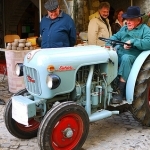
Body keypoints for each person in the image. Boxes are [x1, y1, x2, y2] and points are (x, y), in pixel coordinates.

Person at [107, 6, 150, 104]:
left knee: (126, 58)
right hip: (120, 54)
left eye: (131, 19)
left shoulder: (145, 29)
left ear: (138, 20)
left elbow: (148, 42)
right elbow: (114, 37)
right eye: (127, 19)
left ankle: (120, 91)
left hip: (134, 57)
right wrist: (109, 44)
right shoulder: (124, 28)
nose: (128, 22)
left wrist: (133, 41)